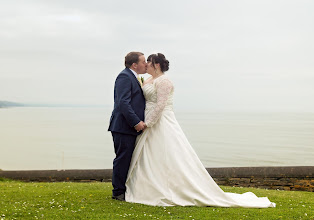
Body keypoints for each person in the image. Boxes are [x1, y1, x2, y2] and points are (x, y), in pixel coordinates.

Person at [125, 53, 276, 208]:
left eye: (148, 62)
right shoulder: (149, 80)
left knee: (168, 153)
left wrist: (148, 123)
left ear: (156, 65)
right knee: (151, 155)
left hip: (161, 121)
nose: (146, 65)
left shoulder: (165, 81)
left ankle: (171, 187)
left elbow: (161, 105)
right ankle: (149, 185)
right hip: (149, 121)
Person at [108, 52, 147, 201]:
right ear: (134, 65)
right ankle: (118, 192)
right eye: (143, 62)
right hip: (123, 126)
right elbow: (123, 103)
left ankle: (125, 189)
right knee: (122, 159)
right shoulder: (124, 76)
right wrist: (136, 122)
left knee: (128, 158)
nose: (146, 64)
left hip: (128, 127)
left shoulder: (134, 77)